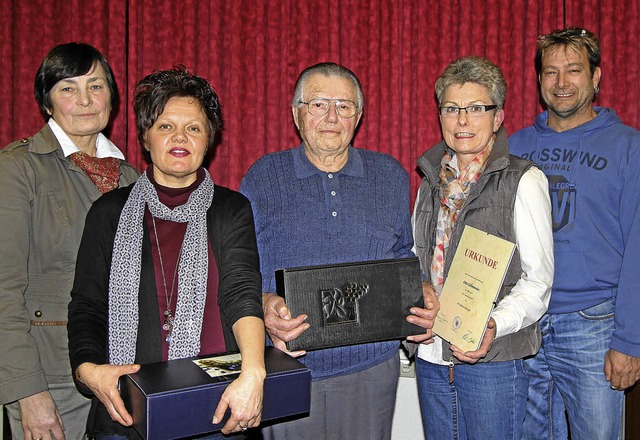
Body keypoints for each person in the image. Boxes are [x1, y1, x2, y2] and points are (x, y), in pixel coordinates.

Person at [239, 61, 438, 440]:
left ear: (358, 116)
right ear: (297, 113)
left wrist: (420, 289)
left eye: (344, 106)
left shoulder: (390, 175)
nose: (331, 116)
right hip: (289, 365)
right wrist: (263, 304)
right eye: (318, 104)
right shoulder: (263, 176)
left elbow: (401, 253)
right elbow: (241, 267)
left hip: (371, 368)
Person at [67, 67, 266, 439]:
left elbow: (242, 293)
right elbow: (86, 306)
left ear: (209, 139)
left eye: (193, 127)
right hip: (126, 408)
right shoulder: (108, 212)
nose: (180, 137)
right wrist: (88, 370)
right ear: (145, 136)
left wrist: (253, 372)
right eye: (164, 126)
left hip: (216, 408)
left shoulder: (230, 209)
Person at [0, 42, 139, 440]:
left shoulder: (130, 178)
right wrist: (28, 392)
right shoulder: (17, 169)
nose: (84, 100)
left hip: (125, 376)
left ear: (111, 96)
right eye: (67, 88)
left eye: (96, 86)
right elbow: (4, 292)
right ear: (47, 102)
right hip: (54, 380)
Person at [411, 56, 554, 439]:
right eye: (452, 109)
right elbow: (415, 258)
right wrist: (415, 296)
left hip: (494, 358)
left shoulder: (524, 180)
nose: (462, 121)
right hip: (432, 357)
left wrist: (493, 325)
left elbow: (538, 283)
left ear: (498, 117)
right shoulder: (429, 181)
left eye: (476, 109)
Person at [510, 27, 640, 439]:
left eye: (574, 70)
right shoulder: (512, 147)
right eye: (550, 72)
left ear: (596, 77)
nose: (561, 83)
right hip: (524, 325)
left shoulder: (628, 147)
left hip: (594, 325)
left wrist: (630, 340)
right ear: (539, 81)